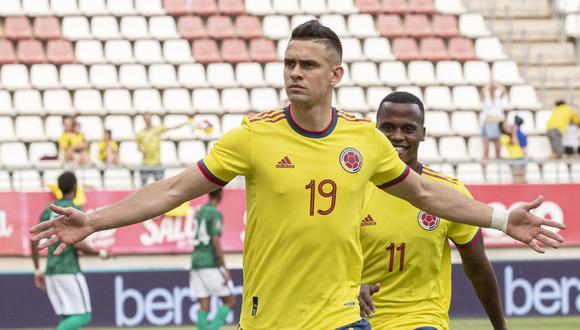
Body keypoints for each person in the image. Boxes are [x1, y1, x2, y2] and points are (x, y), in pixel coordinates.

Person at [31, 20, 564, 330]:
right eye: (288, 63)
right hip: (270, 316)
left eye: (306, 65)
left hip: (341, 317)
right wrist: (96, 221)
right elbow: (174, 188)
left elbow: (427, 193)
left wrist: (498, 217)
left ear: (335, 75)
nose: (293, 74)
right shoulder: (253, 137)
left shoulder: (363, 140)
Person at [357, 92, 506, 329]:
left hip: (423, 319)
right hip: (358, 319)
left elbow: (477, 267)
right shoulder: (353, 189)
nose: (397, 136)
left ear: (423, 133)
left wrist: (501, 328)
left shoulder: (449, 192)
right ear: (376, 131)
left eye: (408, 128)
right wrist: (352, 286)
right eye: (388, 127)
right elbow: (324, 257)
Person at [31, 171, 110, 330]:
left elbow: (34, 239)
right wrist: (100, 253)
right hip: (68, 269)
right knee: (83, 315)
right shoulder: (74, 209)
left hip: (51, 271)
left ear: (59, 187)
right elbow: (77, 243)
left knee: (67, 317)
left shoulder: (49, 210)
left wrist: (37, 269)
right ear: (75, 186)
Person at [190, 188, 236, 330]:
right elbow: (215, 240)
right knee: (230, 301)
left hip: (196, 261)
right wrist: (224, 268)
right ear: (220, 195)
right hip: (209, 262)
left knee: (204, 305)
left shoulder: (200, 212)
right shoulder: (215, 213)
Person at [136, 113, 191, 187]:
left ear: (151, 119)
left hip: (157, 163)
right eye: (146, 119)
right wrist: (141, 149)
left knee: (160, 187)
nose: (147, 120)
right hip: (145, 163)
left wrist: (185, 123)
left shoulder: (157, 129)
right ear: (143, 120)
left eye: (148, 118)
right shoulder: (140, 133)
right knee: (143, 186)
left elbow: (172, 127)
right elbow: (138, 146)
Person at [480, 81, 505, 160]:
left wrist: (496, 84)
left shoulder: (498, 96)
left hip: (496, 122)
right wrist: (488, 84)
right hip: (487, 122)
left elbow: (503, 90)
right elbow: (483, 91)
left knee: (497, 150)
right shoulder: (486, 97)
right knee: (486, 150)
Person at [500, 116, 527, 183]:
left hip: (522, 157)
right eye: (506, 125)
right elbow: (514, 142)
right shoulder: (503, 137)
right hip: (514, 158)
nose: (508, 126)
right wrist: (514, 131)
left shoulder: (514, 134)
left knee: (523, 176)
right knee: (516, 178)